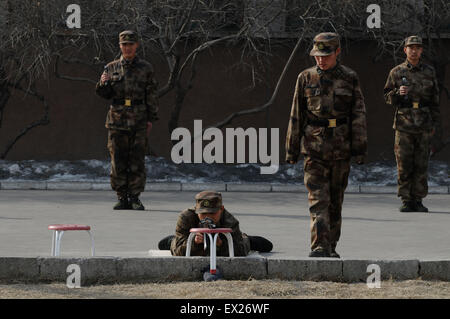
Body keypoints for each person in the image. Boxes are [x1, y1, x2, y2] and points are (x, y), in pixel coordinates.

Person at [285, 32, 368, 258]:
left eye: (326, 55)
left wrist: (359, 149)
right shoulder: (305, 77)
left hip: (340, 149)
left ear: (337, 52)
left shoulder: (350, 78)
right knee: (318, 201)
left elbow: (358, 114)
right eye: (317, 55)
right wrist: (291, 150)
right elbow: (296, 114)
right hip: (313, 148)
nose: (321, 60)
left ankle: (331, 246)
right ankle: (319, 246)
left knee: (335, 203)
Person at [95, 30, 159, 210]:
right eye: (124, 44)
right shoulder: (111, 67)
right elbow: (104, 94)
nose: (128, 47)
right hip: (117, 119)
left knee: (137, 160)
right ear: (120, 46)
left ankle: (135, 197)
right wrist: (102, 83)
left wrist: (151, 118)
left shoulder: (146, 68)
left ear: (136, 45)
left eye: (131, 44)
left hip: (139, 119)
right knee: (118, 159)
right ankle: (121, 196)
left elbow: (152, 94)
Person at [384, 36, 441, 213]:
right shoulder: (396, 72)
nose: (414, 51)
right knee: (404, 163)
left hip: (424, 123)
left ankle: (418, 199)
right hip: (404, 124)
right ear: (405, 50)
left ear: (421, 50)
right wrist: (397, 93)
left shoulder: (429, 72)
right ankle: (406, 199)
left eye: (417, 48)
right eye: (411, 48)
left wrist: (434, 123)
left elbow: (435, 99)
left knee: (421, 163)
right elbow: (387, 96)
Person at [158, 191, 273, 256]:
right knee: (172, 244)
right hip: (189, 240)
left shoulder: (229, 221)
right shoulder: (186, 218)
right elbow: (178, 252)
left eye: (212, 214)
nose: (207, 217)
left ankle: (248, 239)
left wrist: (221, 244)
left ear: (221, 209)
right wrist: (194, 242)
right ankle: (171, 240)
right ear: (196, 210)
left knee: (247, 244)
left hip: (226, 241)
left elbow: (239, 251)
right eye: (203, 214)